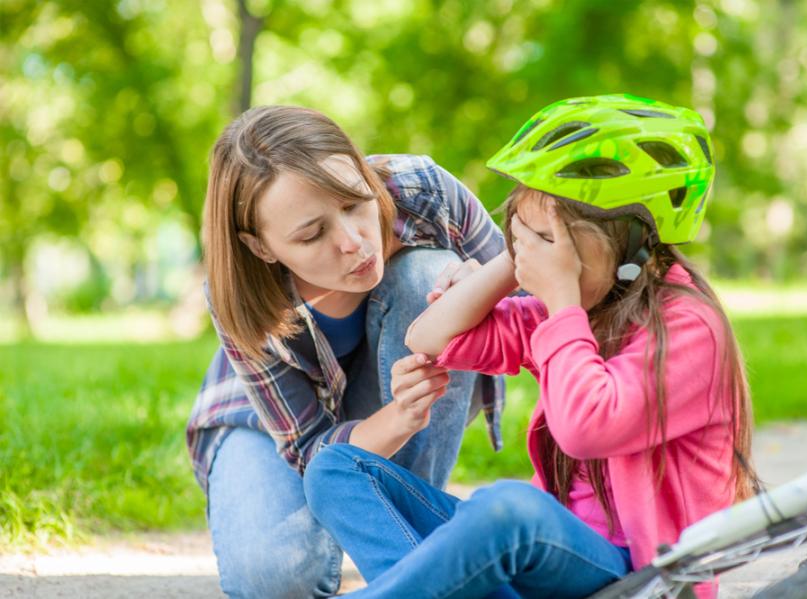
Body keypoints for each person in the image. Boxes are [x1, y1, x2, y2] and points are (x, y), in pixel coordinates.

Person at [303, 94, 757, 599]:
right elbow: (429, 338)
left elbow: (588, 427)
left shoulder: (690, 327)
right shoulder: (569, 307)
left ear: (632, 246)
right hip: (550, 561)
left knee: (507, 512)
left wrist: (561, 297)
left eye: (552, 243)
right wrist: (509, 263)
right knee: (336, 468)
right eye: (526, 237)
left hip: (639, 576)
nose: (538, 262)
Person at [185, 105, 508, 598]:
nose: (354, 242)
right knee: (275, 581)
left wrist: (480, 291)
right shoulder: (238, 294)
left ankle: (408, 557)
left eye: (356, 202)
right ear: (261, 247)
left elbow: (539, 300)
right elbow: (310, 448)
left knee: (429, 275)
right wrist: (399, 417)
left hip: (403, 395)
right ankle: (413, 562)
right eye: (312, 234)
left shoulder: (423, 191)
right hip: (272, 427)